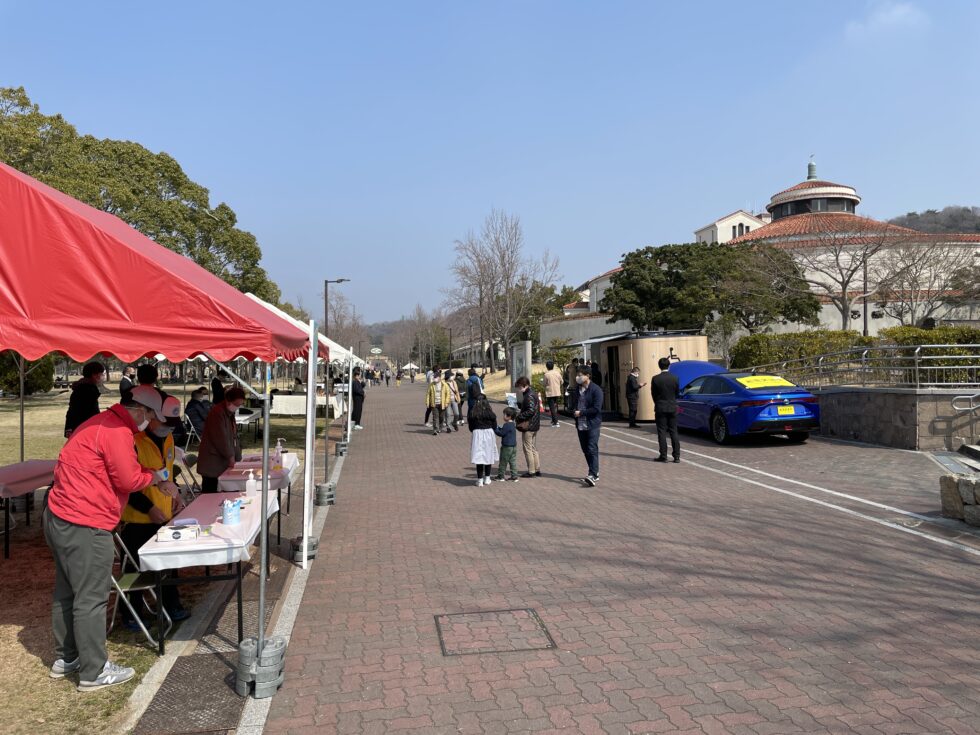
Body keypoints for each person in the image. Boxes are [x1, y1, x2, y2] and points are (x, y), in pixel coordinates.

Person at [44, 385, 180, 691]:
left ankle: (66, 658)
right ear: (140, 411)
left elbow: (120, 470)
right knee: (91, 598)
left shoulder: (99, 422)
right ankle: (93, 671)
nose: (151, 423)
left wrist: (153, 475)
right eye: (151, 416)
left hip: (59, 514)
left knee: (67, 593)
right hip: (86, 521)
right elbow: (129, 479)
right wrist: (157, 480)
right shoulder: (117, 431)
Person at [119, 393, 189, 628]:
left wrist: (176, 493)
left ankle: (172, 606)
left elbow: (166, 472)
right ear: (153, 417)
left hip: (165, 513)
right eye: (166, 423)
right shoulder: (133, 440)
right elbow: (126, 484)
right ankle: (131, 614)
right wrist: (148, 508)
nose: (169, 429)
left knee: (169, 564)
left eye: (173, 425)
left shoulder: (168, 439)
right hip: (137, 518)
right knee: (134, 568)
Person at [197, 386, 245, 493]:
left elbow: (232, 436)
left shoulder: (228, 413)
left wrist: (237, 455)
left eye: (240, 404)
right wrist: (231, 457)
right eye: (237, 404)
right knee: (210, 494)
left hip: (221, 462)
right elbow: (221, 439)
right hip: (212, 464)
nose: (238, 407)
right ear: (228, 401)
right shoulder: (217, 413)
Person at [573, 366, 603, 487]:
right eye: (577, 375)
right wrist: (574, 411)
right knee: (585, 449)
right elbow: (574, 404)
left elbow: (597, 408)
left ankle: (593, 474)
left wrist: (581, 413)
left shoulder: (596, 390)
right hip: (580, 424)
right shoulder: (577, 389)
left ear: (587, 376)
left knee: (592, 448)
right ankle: (594, 470)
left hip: (592, 424)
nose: (578, 377)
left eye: (580, 375)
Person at [64, 361, 106, 438]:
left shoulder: (81, 387)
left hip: (79, 427)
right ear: (94, 375)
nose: (103, 376)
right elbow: (90, 413)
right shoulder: (88, 390)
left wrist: (69, 428)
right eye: (101, 374)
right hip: (84, 429)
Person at [651, 357, 681, 463]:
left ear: (659, 366)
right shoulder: (675, 378)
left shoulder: (655, 379)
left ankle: (663, 455)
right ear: (669, 365)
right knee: (674, 431)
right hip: (672, 406)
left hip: (660, 407)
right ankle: (676, 456)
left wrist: (658, 402)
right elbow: (677, 393)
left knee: (661, 432)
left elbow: (653, 394)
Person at [467, 395, 498, 486]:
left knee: (479, 457)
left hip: (477, 434)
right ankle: (487, 478)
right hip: (489, 433)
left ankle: (480, 479)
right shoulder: (490, 413)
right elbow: (494, 426)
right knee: (488, 455)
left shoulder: (473, 413)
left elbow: (471, 427)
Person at [514, 376, 542, 478]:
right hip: (534, 425)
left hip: (529, 426)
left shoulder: (529, 395)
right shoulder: (531, 394)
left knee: (528, 449)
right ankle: (537, 469)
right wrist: (520, 405)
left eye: (519, 387)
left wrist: (519, 416)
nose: (518, 389)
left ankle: (531, 471)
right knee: (533, 448)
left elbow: (530, 410)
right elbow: (529, 407)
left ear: (525, 386)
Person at [494, 407, 519, 482]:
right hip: (513, 446)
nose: (503, 416)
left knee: (503, 461)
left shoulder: (507, 425)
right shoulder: (513, 424)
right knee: (513, 461)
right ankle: (514, 476)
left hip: (506, 446)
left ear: (509, 416)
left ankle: (500, 476)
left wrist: (495, 429)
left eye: (504, 414)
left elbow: (501, 433)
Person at [426, 371, 451, 435]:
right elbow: (428, 394)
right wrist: (427, 402)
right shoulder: (431, 385)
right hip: (434, 403)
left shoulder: (444, 385)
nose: (435, 379)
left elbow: (448, 394)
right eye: (434, 377)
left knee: (441, 417)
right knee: (435, 417)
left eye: (436, 377)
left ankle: (440, 427)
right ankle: (435, 429)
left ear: (439, 377)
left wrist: (446, 402)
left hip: (442, 403)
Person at [542, 361, 563, 428]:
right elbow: (562, 381)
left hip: (550, 392)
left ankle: (556, 422)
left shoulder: (546, 374)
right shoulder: (557, 373)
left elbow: (544, 384)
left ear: (547, 367)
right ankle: (554, 420)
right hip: (557, 392)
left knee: (552, 408)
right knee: (554, 406)